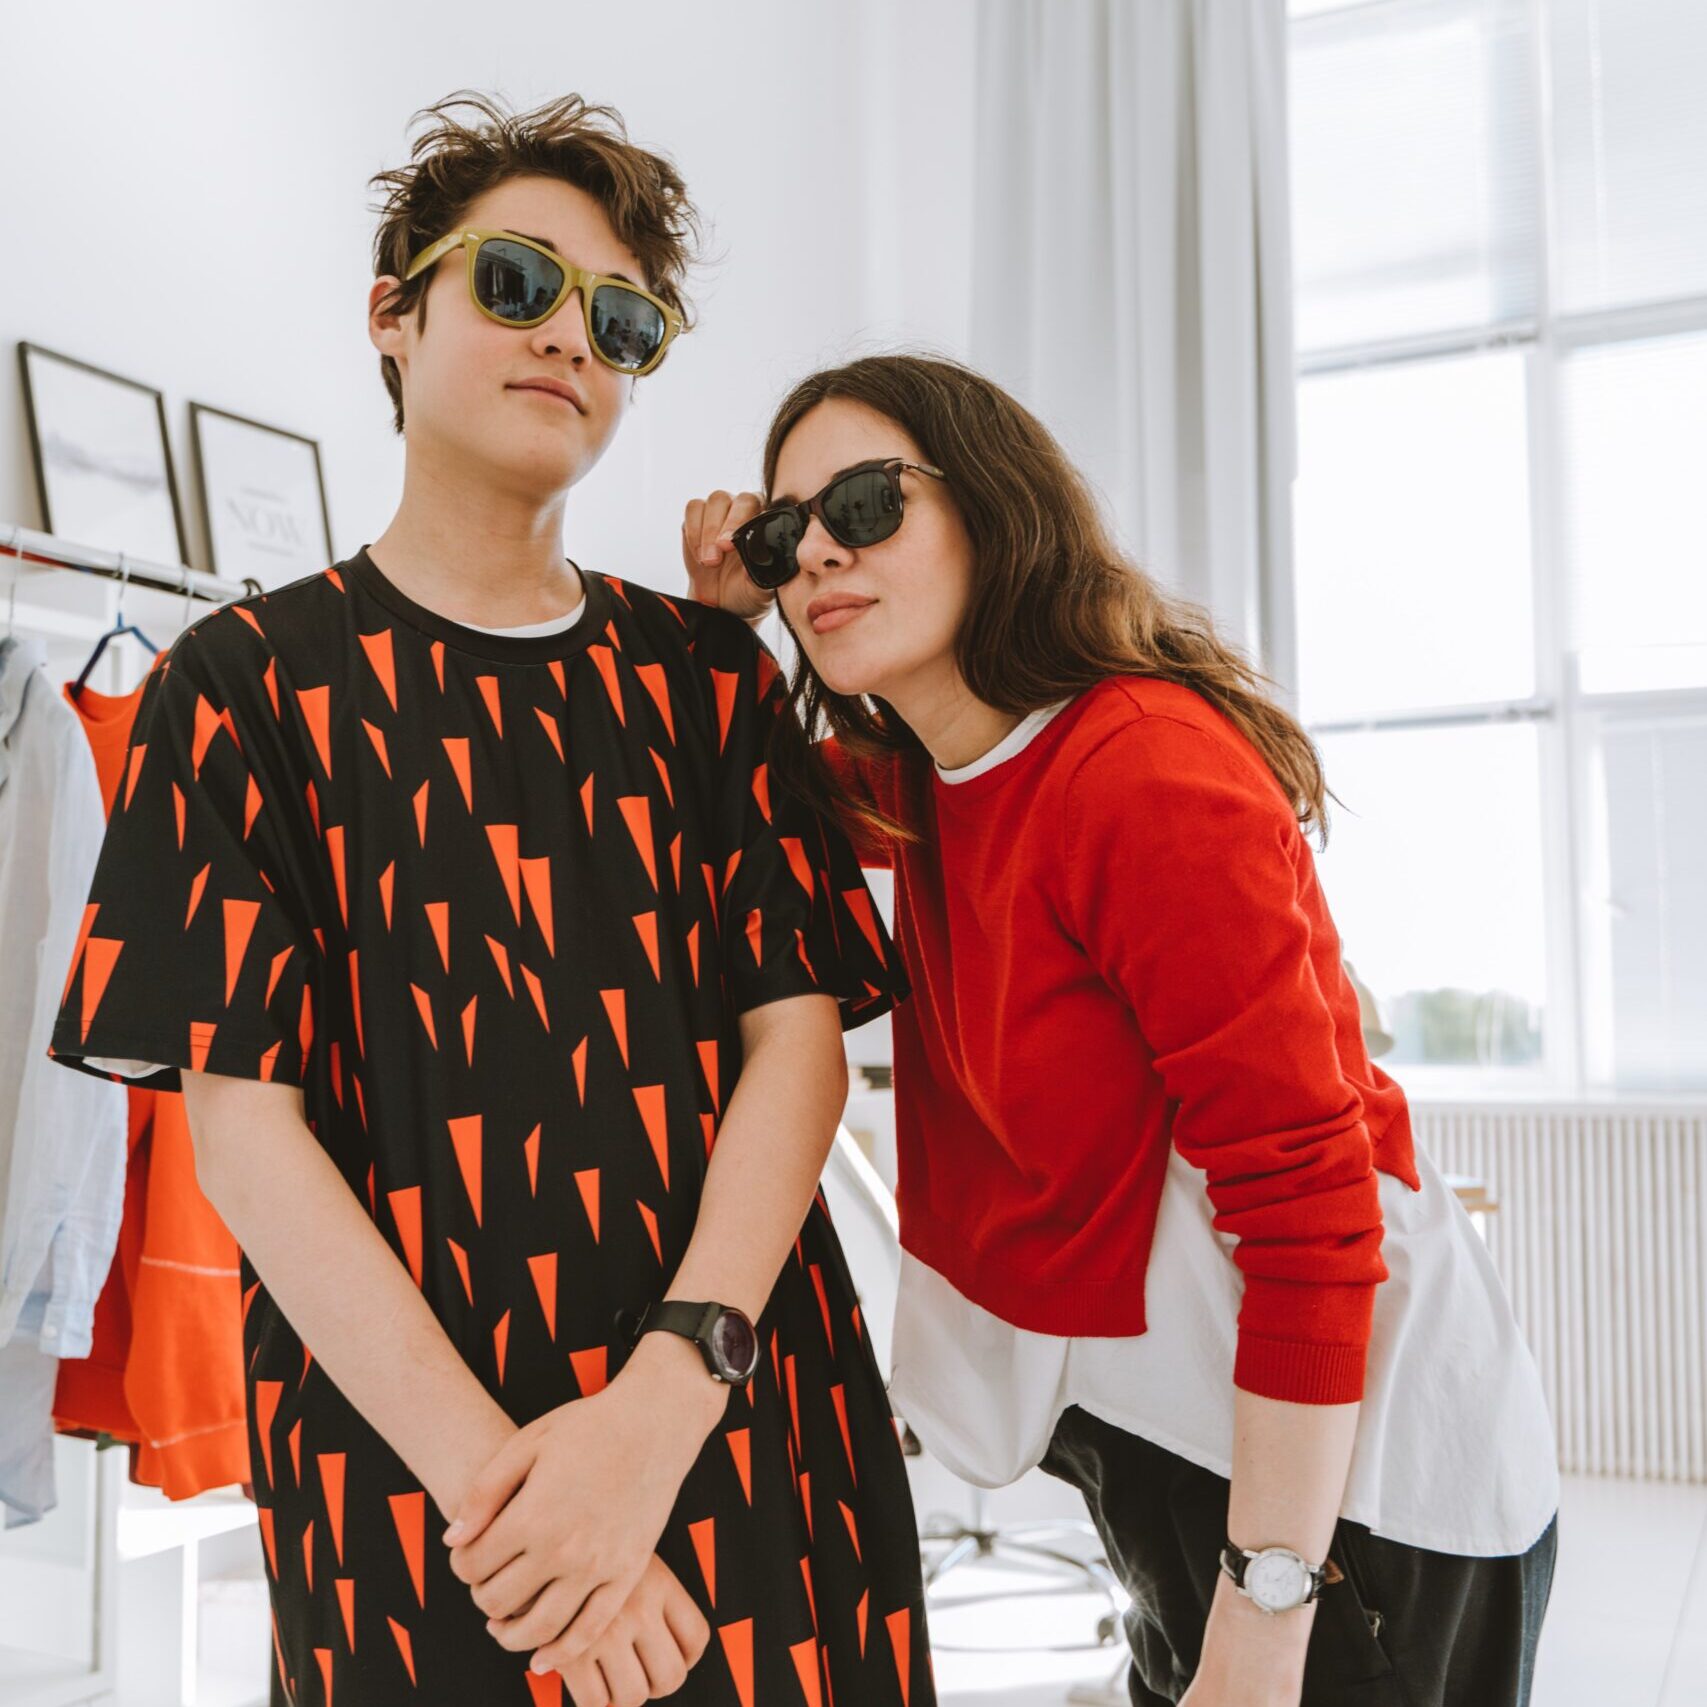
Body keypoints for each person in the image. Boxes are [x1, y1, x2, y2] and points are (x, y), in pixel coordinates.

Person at [47, 96, 934, 1707]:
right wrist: (529, 1516)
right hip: (426, 1503)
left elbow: (799, 1055)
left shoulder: (706, 680)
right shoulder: (237, 687)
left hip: (744, 1428)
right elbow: (246, 1135)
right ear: (393, 313)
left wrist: (660, 1412)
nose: (572, 339)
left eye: (622, 321)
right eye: (519, 283)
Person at [681, 353, 1558, 1707]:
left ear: (993, 507)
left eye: (864, 502)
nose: (816, 555)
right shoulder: (937, 775)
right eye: (784, 532)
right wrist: (716, 621)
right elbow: (740, 793)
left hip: (1351, 1493)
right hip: (1190, 1445)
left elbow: (1311, 1214)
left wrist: (1268, 1606)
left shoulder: (1139, 767)